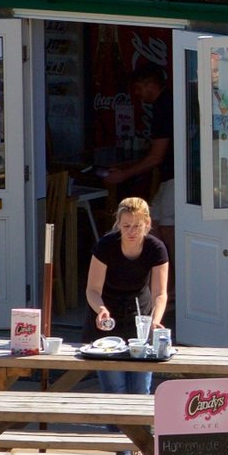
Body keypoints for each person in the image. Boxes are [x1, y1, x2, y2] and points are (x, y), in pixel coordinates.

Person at [83, 196, 168, 397]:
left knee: (140, 388)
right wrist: (101, 309)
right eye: (126, 225)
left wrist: (156, 321)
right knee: (115, 389)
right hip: (108, 316)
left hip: (141, 316)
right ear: (118, 224)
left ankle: (141, 429)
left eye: (137, 226)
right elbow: (92, 290)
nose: (131, 232)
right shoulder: (106, 245)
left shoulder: (156, 248)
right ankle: (116, 430)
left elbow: (160, 293)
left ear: (147, 224)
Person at [99, 66, 175, 247]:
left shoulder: (163, 106)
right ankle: (164, 272)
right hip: (171, 176)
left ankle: (180, 273)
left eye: (138, 87)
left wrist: (123, 175)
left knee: (167, 226)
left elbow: (156, 156)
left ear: (150, 84)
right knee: (152, 223)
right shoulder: (169, 100)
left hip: (176, 176)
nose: (136, 93)